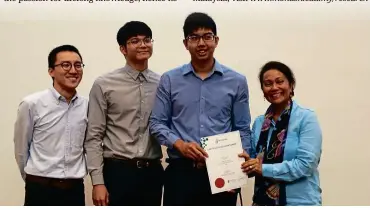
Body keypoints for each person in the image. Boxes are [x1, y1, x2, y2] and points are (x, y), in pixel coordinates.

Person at [149, 12, 252, 206]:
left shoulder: (236, 81)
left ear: (216, 40)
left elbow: (243, 128)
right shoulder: (170, 80)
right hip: (181, 173)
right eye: (194, 37)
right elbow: (157, 123)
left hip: (222, 172)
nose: (201, 43)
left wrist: (237, 168)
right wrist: (180, 145)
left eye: (207, 36)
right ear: (185, 43)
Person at [84, 21, 163, 206]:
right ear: (123, 49)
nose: (143, 45)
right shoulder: (104, 84)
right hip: (118, 172)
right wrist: (98, 182)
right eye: (135, 41)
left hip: (152, 172)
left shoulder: (163, 83)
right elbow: (94, 136)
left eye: (147, 40)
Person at [13, 44, 88, 206]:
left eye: (78, 65)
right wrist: (33, 179)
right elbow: (21, 148)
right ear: (51, 71)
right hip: (40, 188)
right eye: (65, 65)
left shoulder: (87, 106)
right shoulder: (32, 104)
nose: (73, 70)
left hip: (74, 189)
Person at [240, 61, 322, 206]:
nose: (274, 87)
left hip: (298, 202)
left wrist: (262, 168)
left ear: (291, 85)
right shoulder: (259, 123)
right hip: (261, 201)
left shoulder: (306, 118)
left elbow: (306, 165)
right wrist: (245, 164)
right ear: (263, 90)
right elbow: (254, 162)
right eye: (268, 83)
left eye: (280, 82)